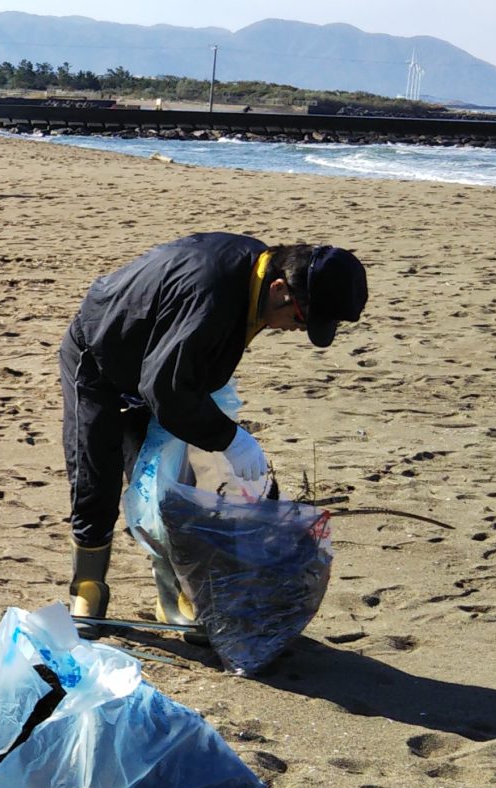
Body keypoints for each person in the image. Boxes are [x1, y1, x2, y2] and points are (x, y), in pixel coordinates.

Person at [59, 235, 368, 632]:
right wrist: (230, 439)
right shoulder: (214, 292)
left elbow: (179, 370)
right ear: (280, 290)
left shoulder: (257, 279)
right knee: (94, 472)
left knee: (166, 488)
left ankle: (175, 595)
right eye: (298, 321)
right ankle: (88, 588)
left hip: (159, 364)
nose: (293, 331)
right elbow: (167, 391)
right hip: (101, 355)